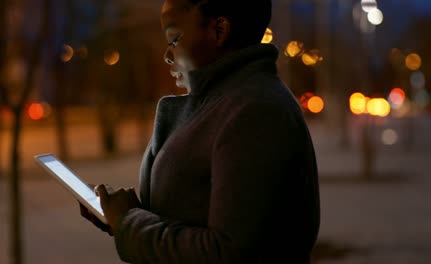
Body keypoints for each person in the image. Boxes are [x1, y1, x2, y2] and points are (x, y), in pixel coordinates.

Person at [80, 0, 321, 263]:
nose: (167, 55)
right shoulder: (224, 102)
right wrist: (121, 216)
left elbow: (227, 252)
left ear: (219, 30)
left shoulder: (255, 111)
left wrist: (130, 222)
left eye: (174, 38)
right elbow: (189, 215)